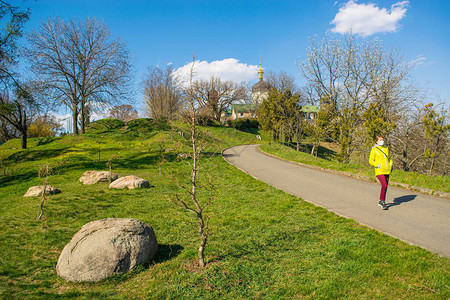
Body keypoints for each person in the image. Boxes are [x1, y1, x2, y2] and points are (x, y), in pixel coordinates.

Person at [369, 135, 393, 210]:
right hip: (379, 170)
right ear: (377, 141)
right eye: (380, 140)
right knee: (384, 185)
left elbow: (389, 158)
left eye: (382, 139)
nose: (382, 141)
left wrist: (391, 164)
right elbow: (371, 160)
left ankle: (382, 200)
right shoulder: (374, 150)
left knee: (385, 186)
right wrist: (376, 165)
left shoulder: (386, 149)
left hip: (387, 170)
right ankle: (382, 201)